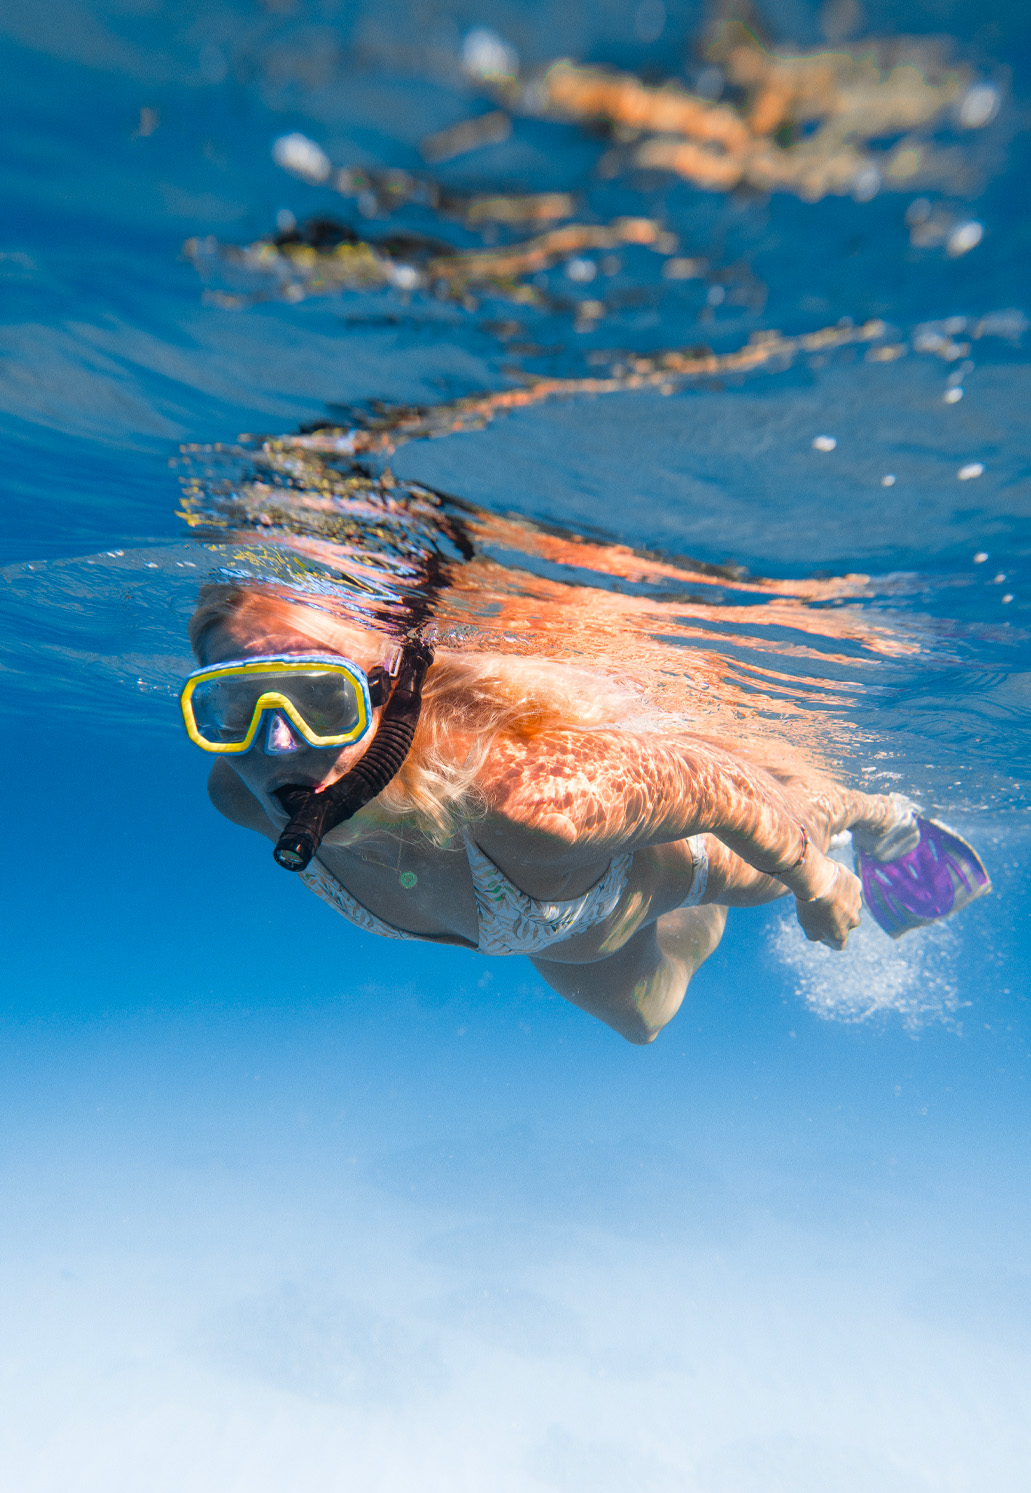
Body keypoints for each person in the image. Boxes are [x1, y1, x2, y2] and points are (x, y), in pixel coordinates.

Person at [181, 583, 989, 1045]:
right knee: (645, 1022)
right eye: (230, 707)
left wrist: (815, 880)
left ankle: (882, 816)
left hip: (661, 861)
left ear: (390, 695)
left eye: (322, 699)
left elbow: (723, 783)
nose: (277, 747)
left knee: (783, 844)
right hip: (551, 925)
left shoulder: (526, 801)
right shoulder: (236, 795)